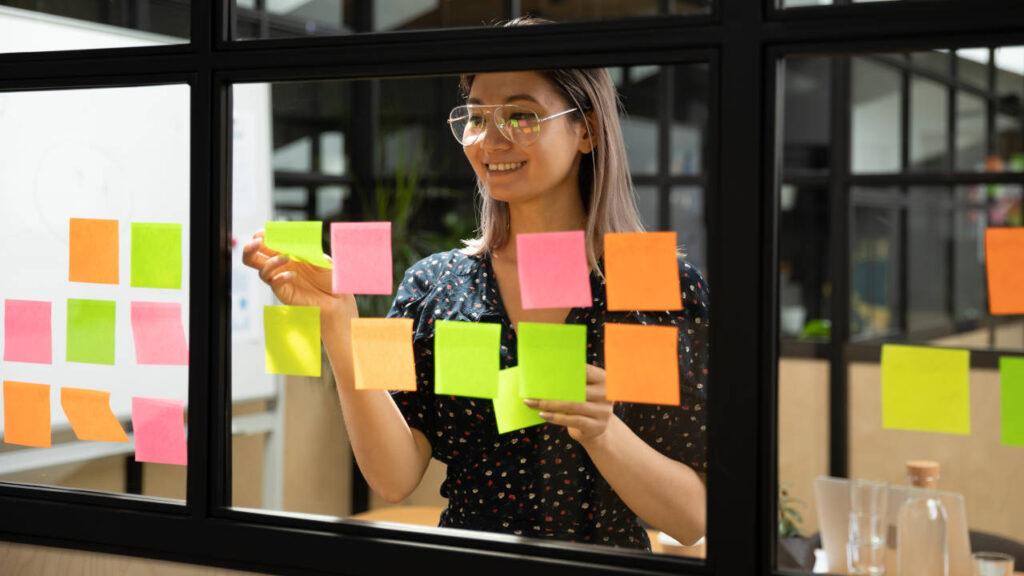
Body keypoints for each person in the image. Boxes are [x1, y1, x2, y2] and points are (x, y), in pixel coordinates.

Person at [243, 18, 709, 551]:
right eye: (476, 116)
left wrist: (603, 430)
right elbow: (394, 478)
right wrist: (337, 319)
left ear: (588, 129)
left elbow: (692, 518)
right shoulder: (435, 285)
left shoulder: (656, 286)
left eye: (521, 115)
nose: (490, 139)